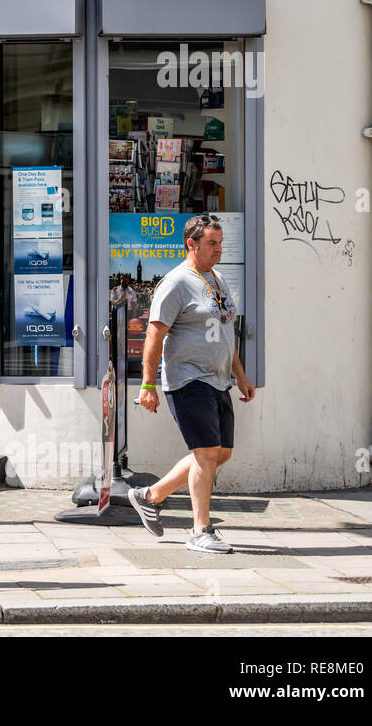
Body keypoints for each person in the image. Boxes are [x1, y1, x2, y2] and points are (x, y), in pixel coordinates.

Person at [128, 215, 256, 553]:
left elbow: (226, 333)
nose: (219, 249)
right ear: (191, 244)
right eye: (212, 243)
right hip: (188, 378)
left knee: (221, 453)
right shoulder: (176, 283)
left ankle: (150, 496)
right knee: (206, 453)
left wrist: (240, 375)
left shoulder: (217, 279)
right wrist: (148, 385)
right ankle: (200, 530)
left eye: (220, 242)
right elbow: (154, 335)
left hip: (218, 380)